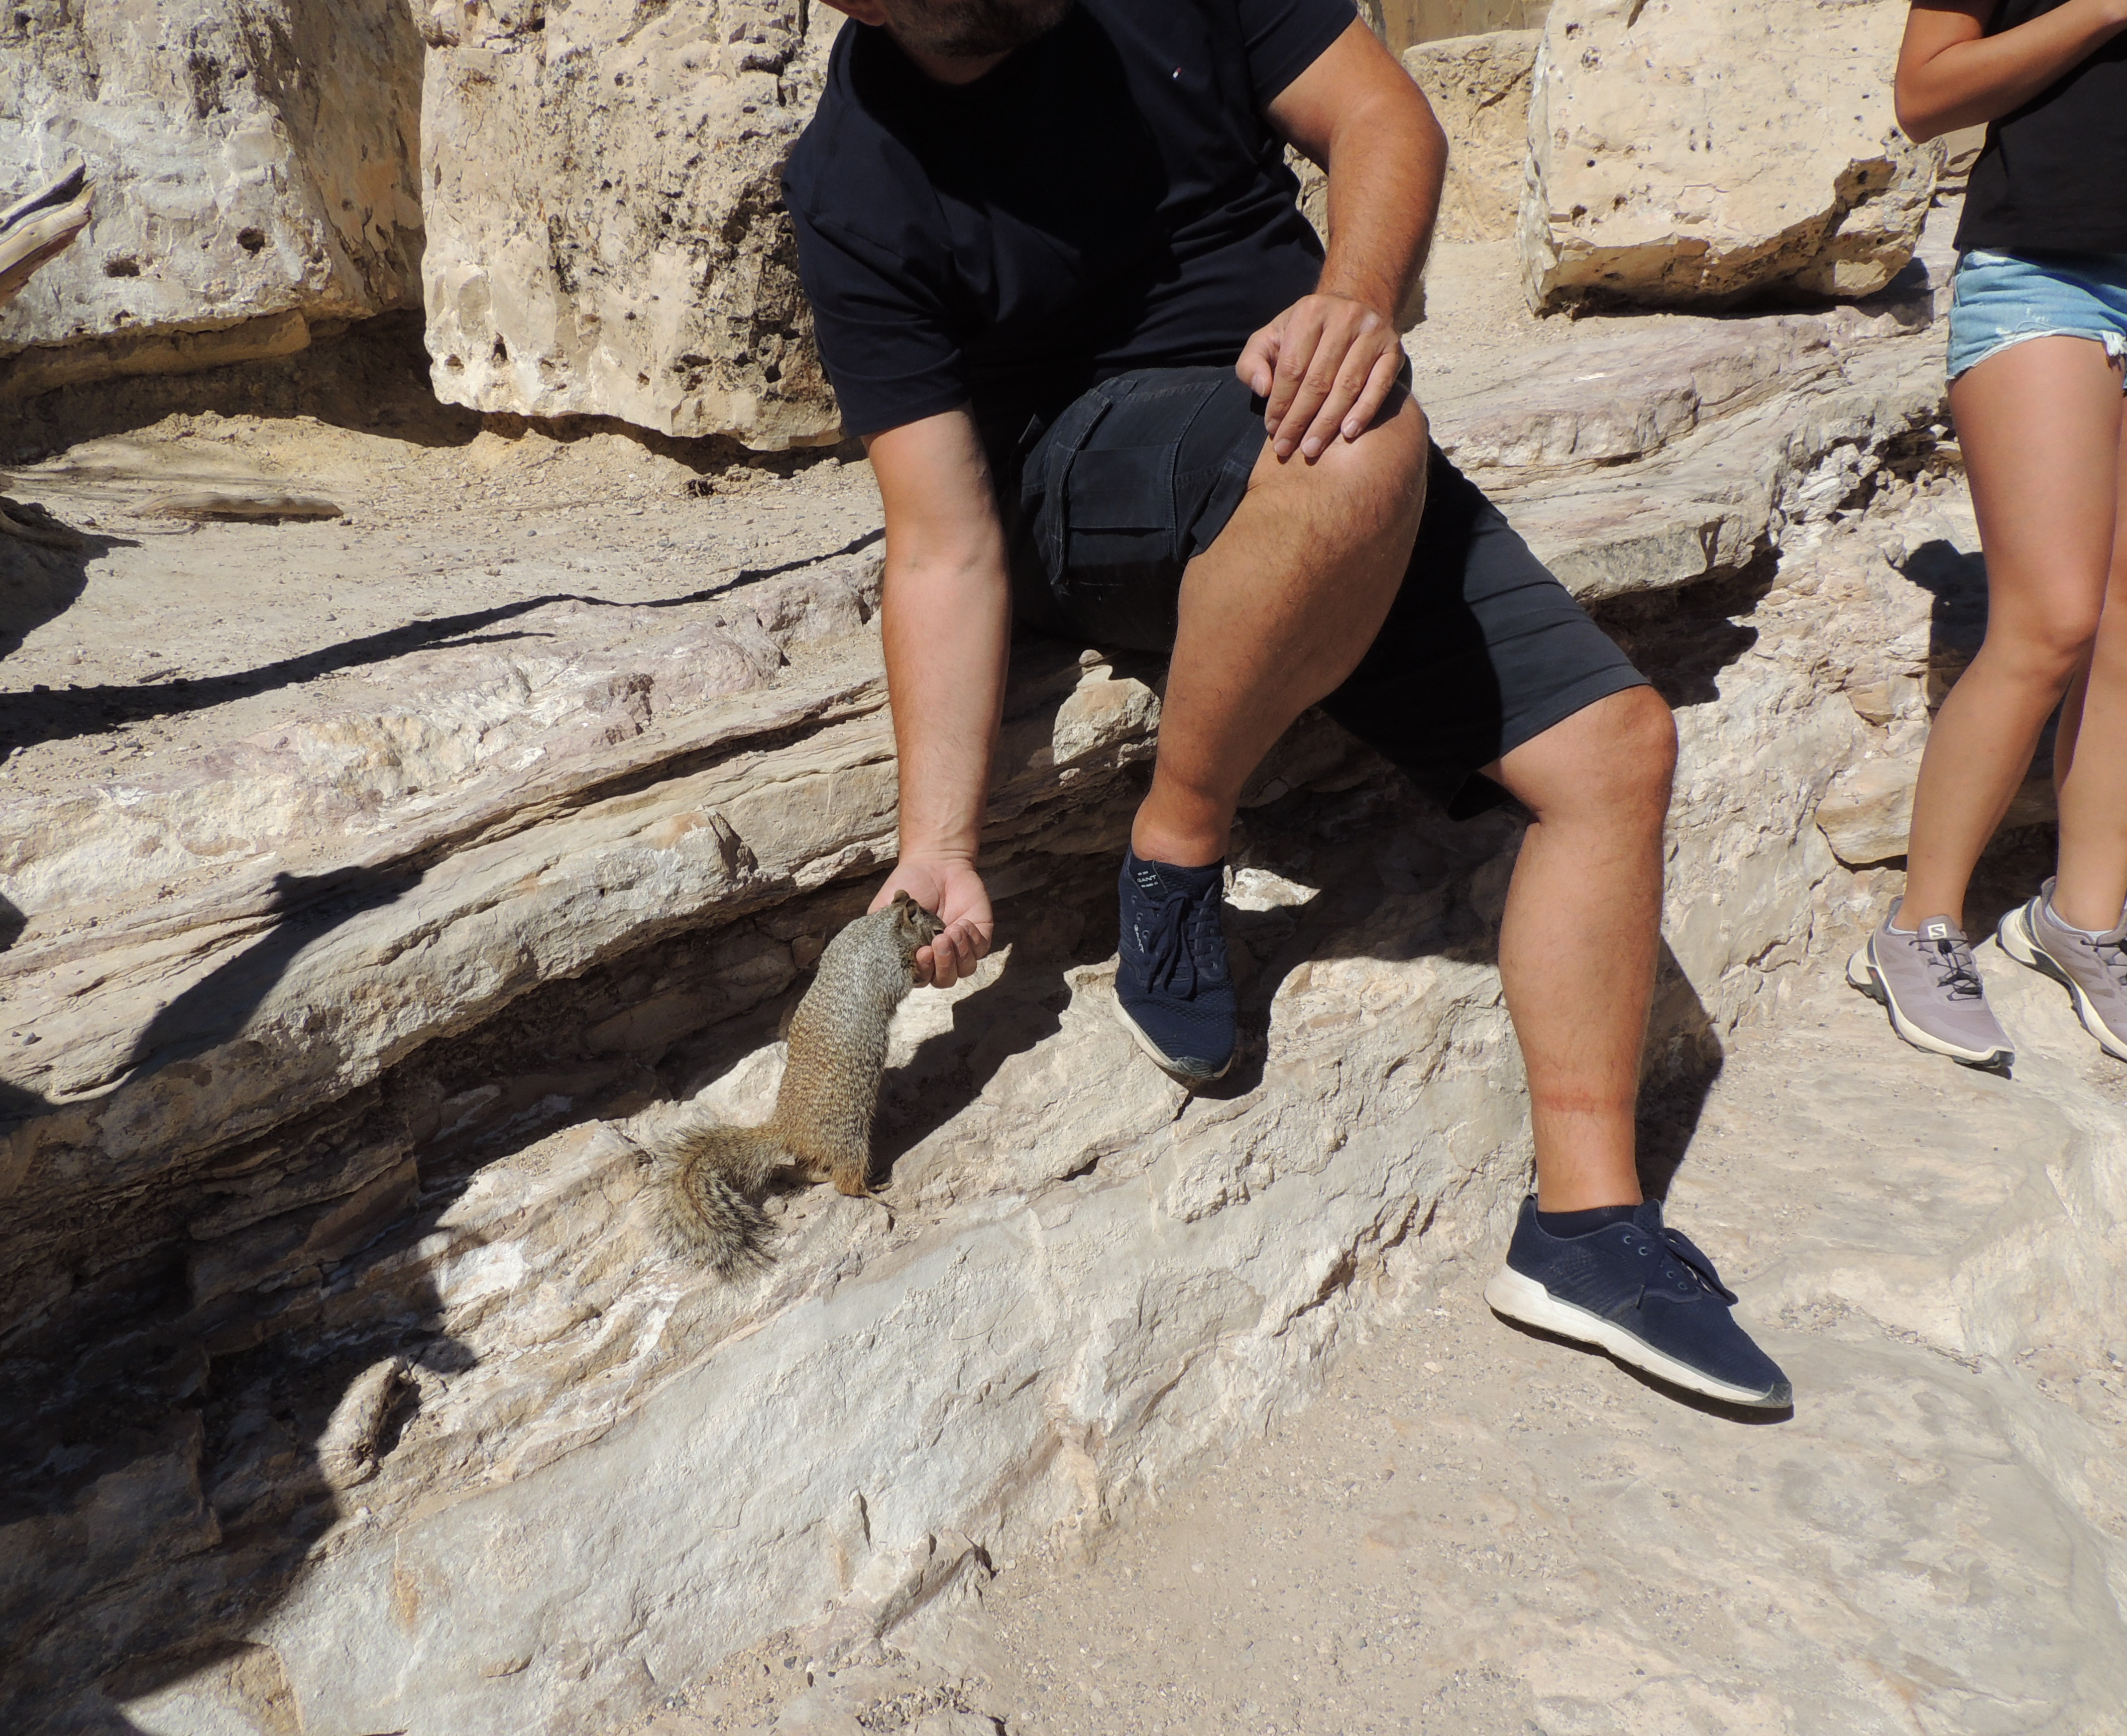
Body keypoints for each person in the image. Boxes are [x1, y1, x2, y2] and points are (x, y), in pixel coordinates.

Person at [781, 0, 1790, 1408]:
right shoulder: (856, 182)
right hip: (1086, 479)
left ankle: (1584, 1231)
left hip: (1307, 413)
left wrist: (1357, 299)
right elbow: (945, 545)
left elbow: (1381, 114)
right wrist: (938, 841)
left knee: (1616, 748)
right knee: (1357, 449)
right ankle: (1178, 840)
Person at [1854, 0, 2127, 1068]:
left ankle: (2084, 918)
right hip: (2047, 273)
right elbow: (1925, 95)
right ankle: (1917, 926)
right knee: (2051, 620)